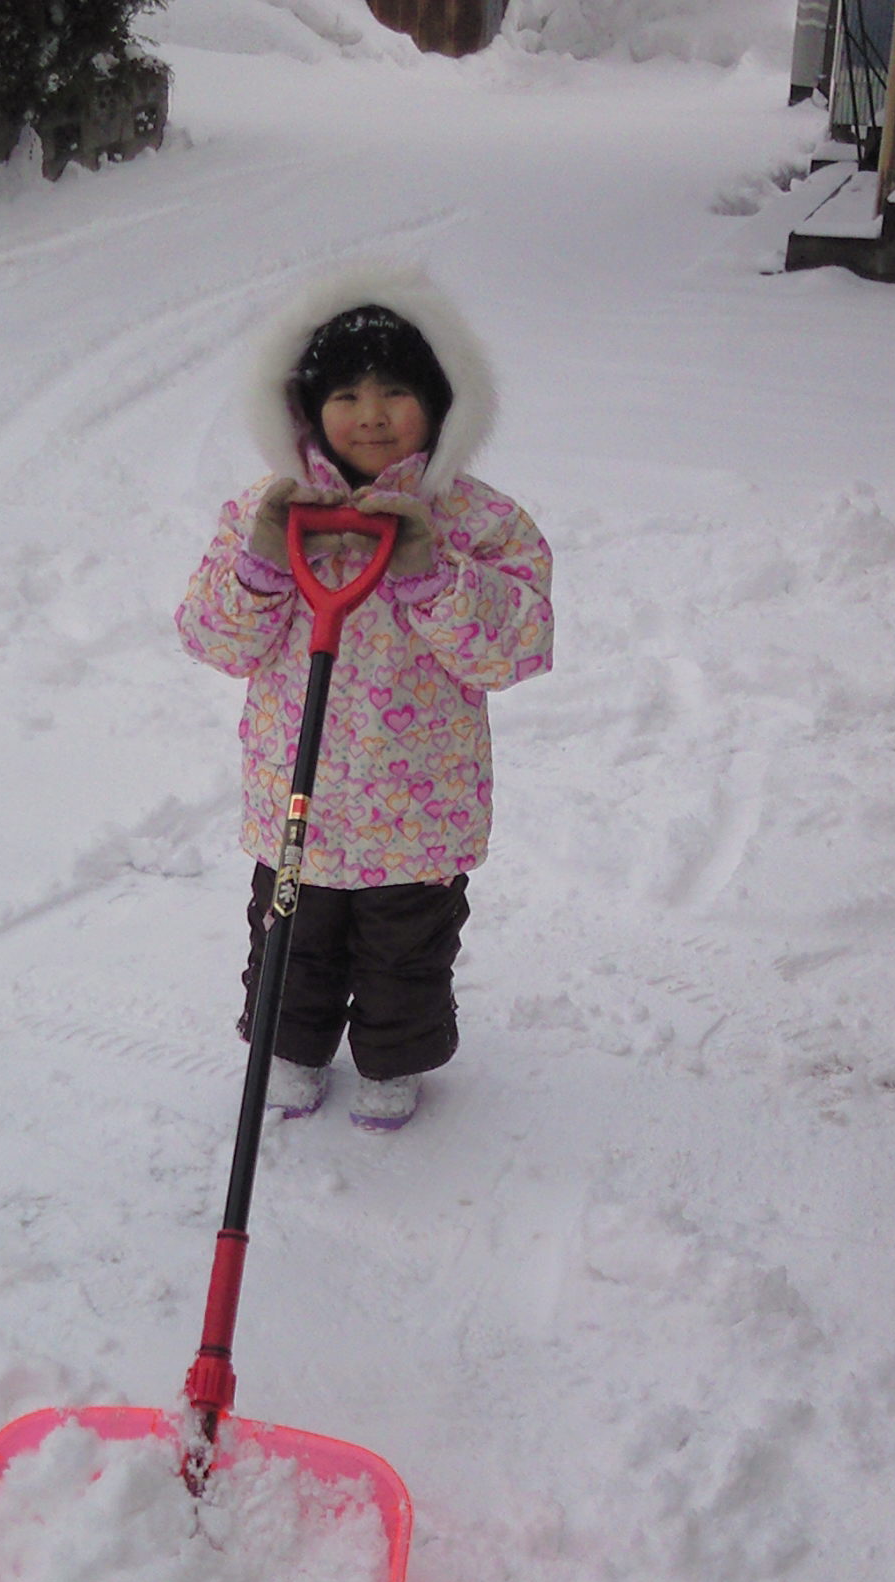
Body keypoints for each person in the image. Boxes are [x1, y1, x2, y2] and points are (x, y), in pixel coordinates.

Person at [175, 266, 553, 1131]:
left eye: (394, 392)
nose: (371, 414)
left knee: (406, 949)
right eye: (345, 394)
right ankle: (291, 1047)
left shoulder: (476, 521)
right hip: (296, 796)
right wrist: (262, 566)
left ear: (439, 402)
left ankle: (392, 1061)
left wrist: (436, 576)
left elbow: (521, 644)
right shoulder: (265, 512)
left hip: (418, 803)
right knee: (290, 942)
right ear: (309, 410)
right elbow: (210, 637)